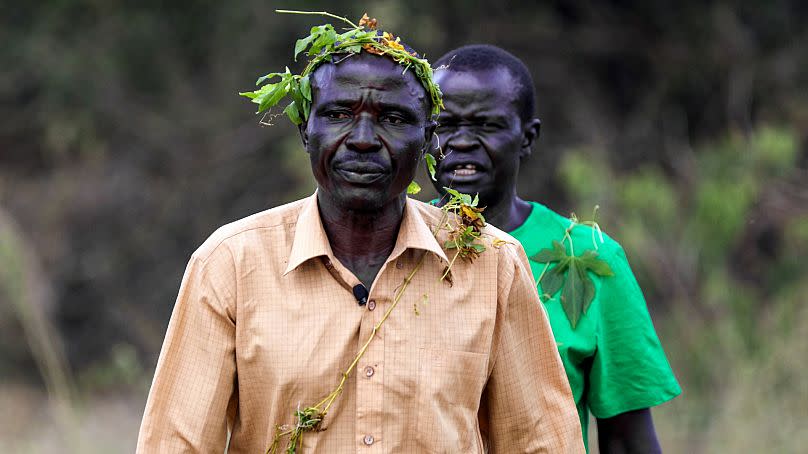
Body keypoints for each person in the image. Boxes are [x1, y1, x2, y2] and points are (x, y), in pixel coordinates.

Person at [136, 20, 583, 453]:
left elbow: (540, 444)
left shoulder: (491, 263)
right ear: (304, 131)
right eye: (338, 114)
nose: (364, 140)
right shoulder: (230, 264)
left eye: (392, 118)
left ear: (429, 141)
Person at [429, 44, 681, 453]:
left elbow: (626, 440)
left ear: (527, 138)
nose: (461, 143)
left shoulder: (590, 258)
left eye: (486, 126)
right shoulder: (397, 247)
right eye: (444, 125)